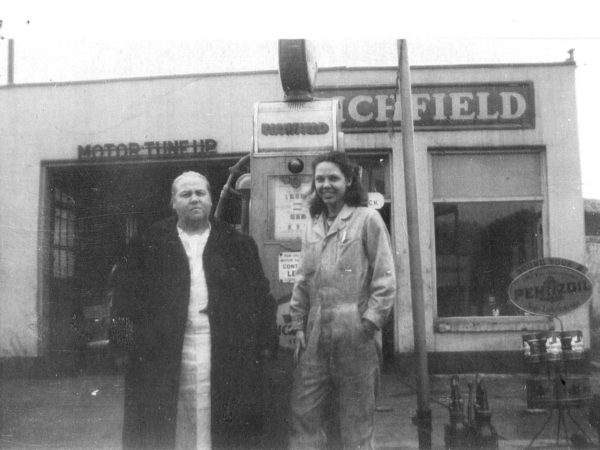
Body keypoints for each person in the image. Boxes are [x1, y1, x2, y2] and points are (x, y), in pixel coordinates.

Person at [111, 171, 277, 449]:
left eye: (200, 193)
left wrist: (265, 344)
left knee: (224, 422)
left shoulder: (238, 244)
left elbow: (261, 298)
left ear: (212, 201)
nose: (194, 199)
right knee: (163, 423)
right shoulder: (146, 243)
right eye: (185, 194)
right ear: (173, 203)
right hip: (162, 353)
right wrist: (121, 347)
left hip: (224, 351)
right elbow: (123, 299)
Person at [289, 151, 396, 450]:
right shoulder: (313, 224)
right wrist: (297, 324)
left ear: (348, 180)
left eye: (333, 178)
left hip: (355, 333)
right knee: (303, 415)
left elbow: (385, 278)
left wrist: (368, 323)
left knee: (356, 424)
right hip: (314, 334)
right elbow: (303, 279)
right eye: (320, 179)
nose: (326, 185)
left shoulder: (367, 219)